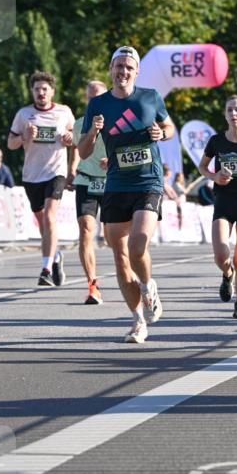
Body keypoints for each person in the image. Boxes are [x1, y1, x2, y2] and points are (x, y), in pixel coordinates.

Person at [79, 46, 175, 344]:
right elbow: (82, 151)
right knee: (120, 259)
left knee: (137, 245)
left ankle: (148, 287)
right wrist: (94, 134)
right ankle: (137, 321)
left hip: (148, 180)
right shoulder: (98, 104)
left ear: (136, 71)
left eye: (128, 67)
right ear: (111, 69)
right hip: (116, 183)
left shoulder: (150, 97)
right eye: (118, 66)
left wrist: (162, 132)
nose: (123, 72)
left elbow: (169, 126)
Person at [8, 72, 74, 287]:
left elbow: (76, 139)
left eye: (45, 89)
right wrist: (23, 137)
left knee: (49, 217)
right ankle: (55, 256)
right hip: (32, 175)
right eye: (37, 89)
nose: (41, 92)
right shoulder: (24, 114)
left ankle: (45, 269)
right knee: (42, 222)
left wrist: (70, 138)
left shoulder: (64, 112)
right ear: (32, 92)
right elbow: (10, 144)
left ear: (52, 91)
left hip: (56, 172)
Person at [199, 95, 237, 319]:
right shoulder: (216, 141)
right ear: (225, 115)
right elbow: (202, 167)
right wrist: (215, 176)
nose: (233, 114)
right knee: (220, 254)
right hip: (224, 201)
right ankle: (227, 275)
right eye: (229, 110)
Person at [66, 80, 108, 304]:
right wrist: (71, 171)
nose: (95, 101)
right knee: (86, 229)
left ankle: (132, 277)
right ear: (86, 99)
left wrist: (112, 160)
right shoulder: (79, 124)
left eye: (98, 97)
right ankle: (92, 285)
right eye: (91, 97)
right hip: (86, 180)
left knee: (113, 237)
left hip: (112, 182)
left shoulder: (117, 122)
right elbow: (76, 149)